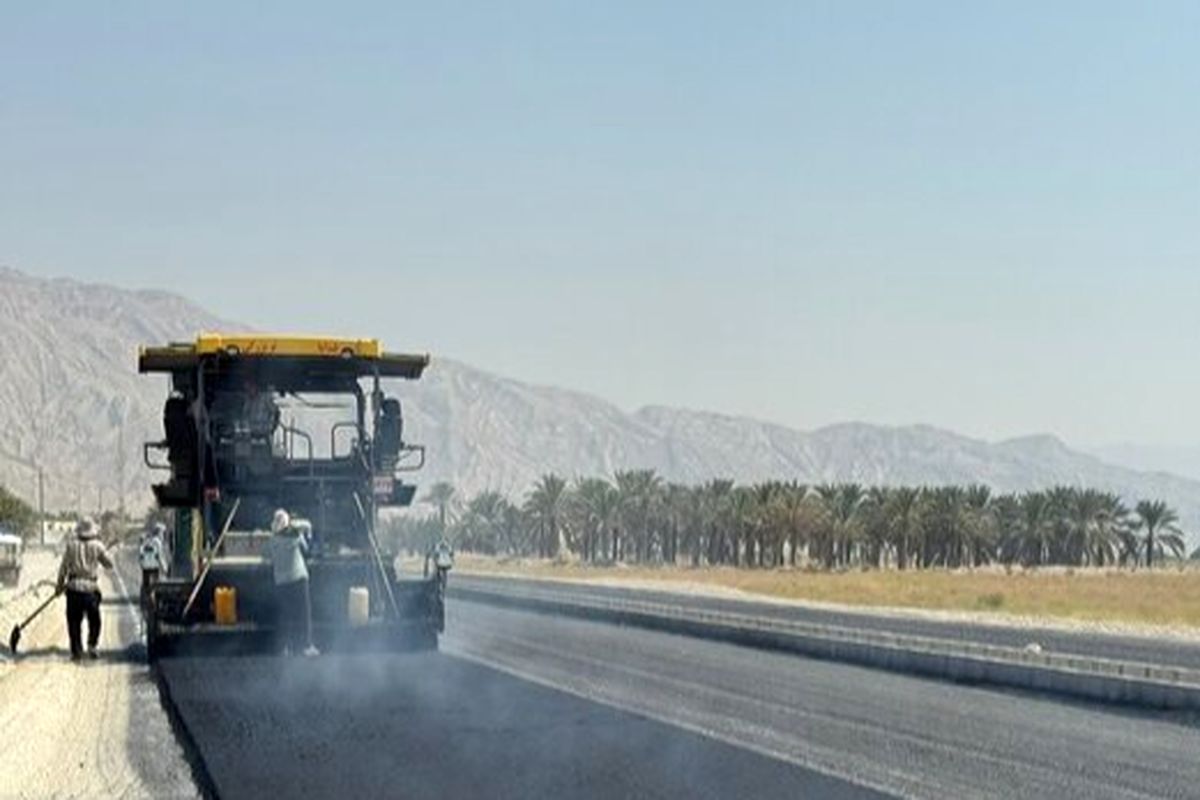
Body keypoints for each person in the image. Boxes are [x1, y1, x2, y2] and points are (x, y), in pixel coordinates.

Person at [56, 519, 113, 661]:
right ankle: (92, 645)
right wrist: (104, 553)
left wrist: (59, 586)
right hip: (90, 590)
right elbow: (109, 564)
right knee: (95, 620)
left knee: (74, 621)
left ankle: (76, 652)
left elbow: (63, 569)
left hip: (73, 589)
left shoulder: (71, 546)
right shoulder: (98, 546)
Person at [265, 509, 318, 657]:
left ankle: (285, 647)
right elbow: (306, 547)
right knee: (304, 613)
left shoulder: (272, 541)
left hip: (281, 581)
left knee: (285, 615)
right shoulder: (295, 537)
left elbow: (266, 555)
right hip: (299, 578)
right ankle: (306, 646)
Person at [139, 522, 168, 608]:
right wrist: (165, 569)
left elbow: (140, 555)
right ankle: (154, 604)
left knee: (146, 587)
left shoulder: (146, 541)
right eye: (163, 533)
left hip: (145, 568)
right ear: (159, 532)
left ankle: (145, 604)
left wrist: (142, 564)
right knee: (156, 587)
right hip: (155, 568)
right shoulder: (158, 542)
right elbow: (160, 557)